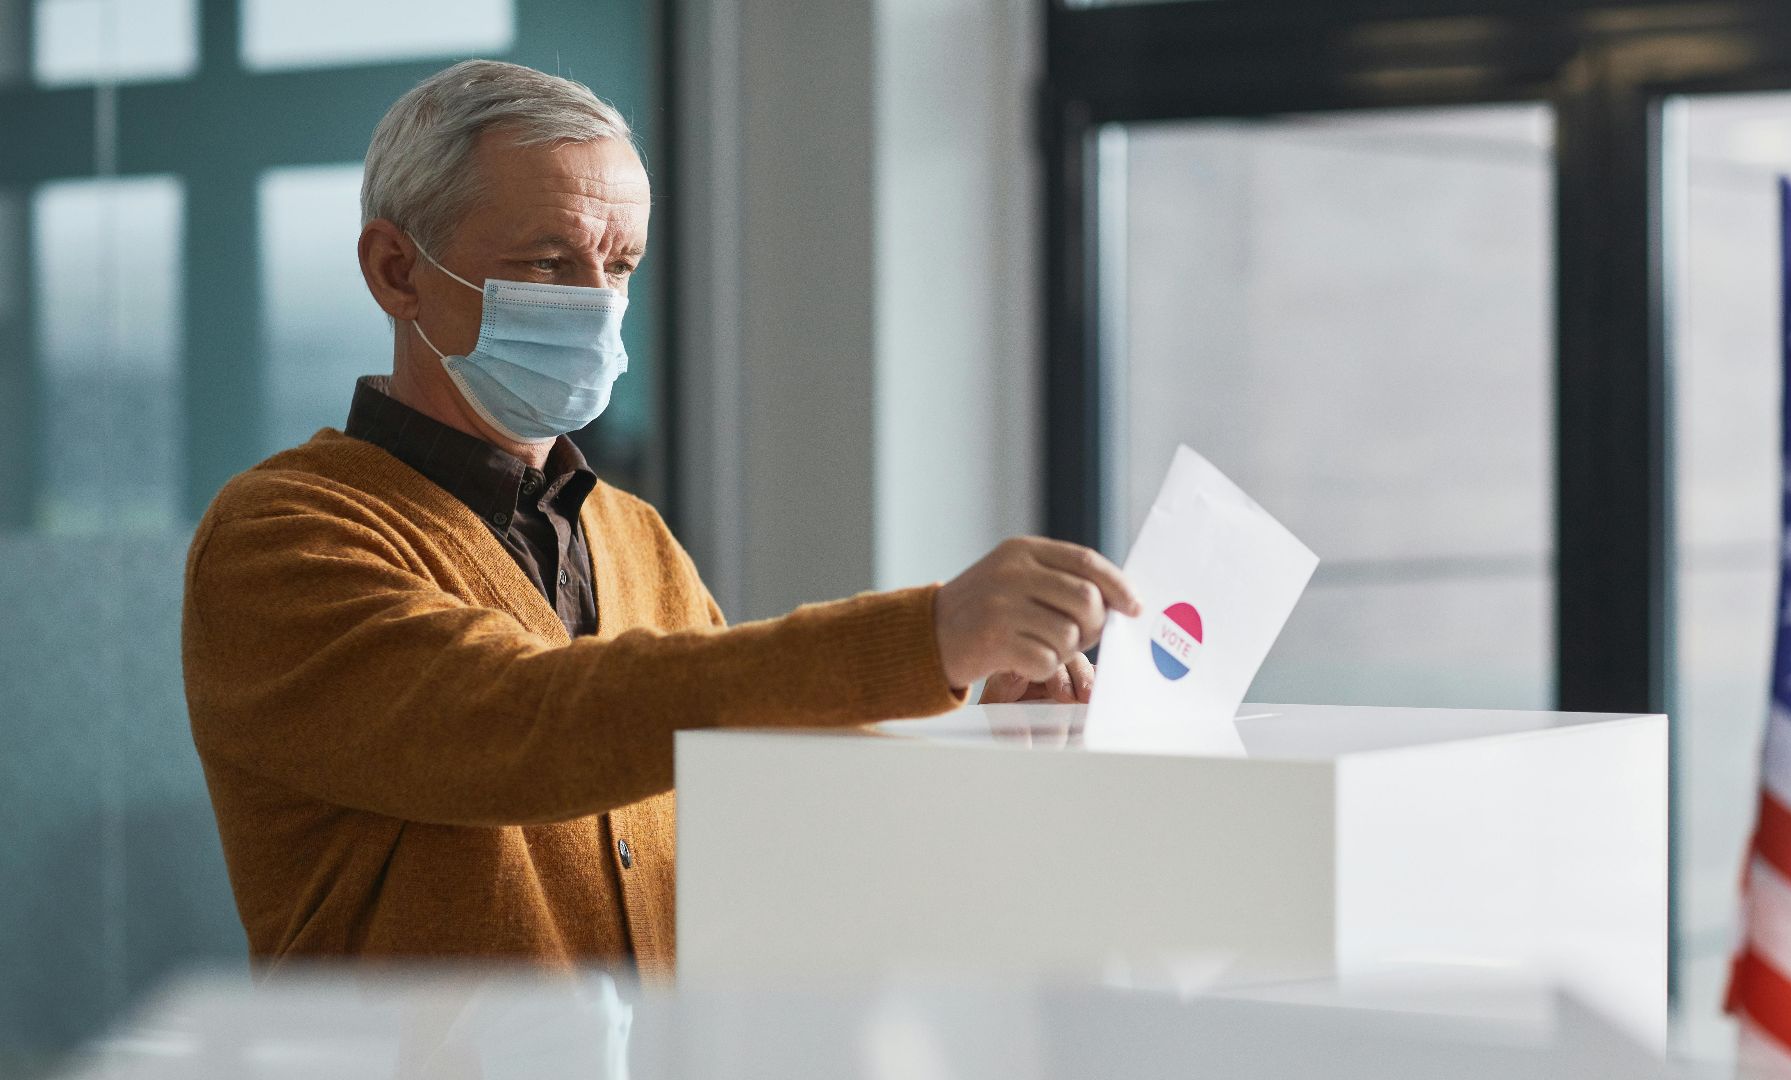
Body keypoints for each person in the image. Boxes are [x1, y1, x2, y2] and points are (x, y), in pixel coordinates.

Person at [180, 59, 1139, 975]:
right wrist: (923, 636)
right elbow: (529, 721)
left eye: (621, 265)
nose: (598, 305)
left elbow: (765, 792)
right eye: (550, 261)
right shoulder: (282, 536)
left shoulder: (631, 534)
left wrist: (981, 749)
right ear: (397, 271)